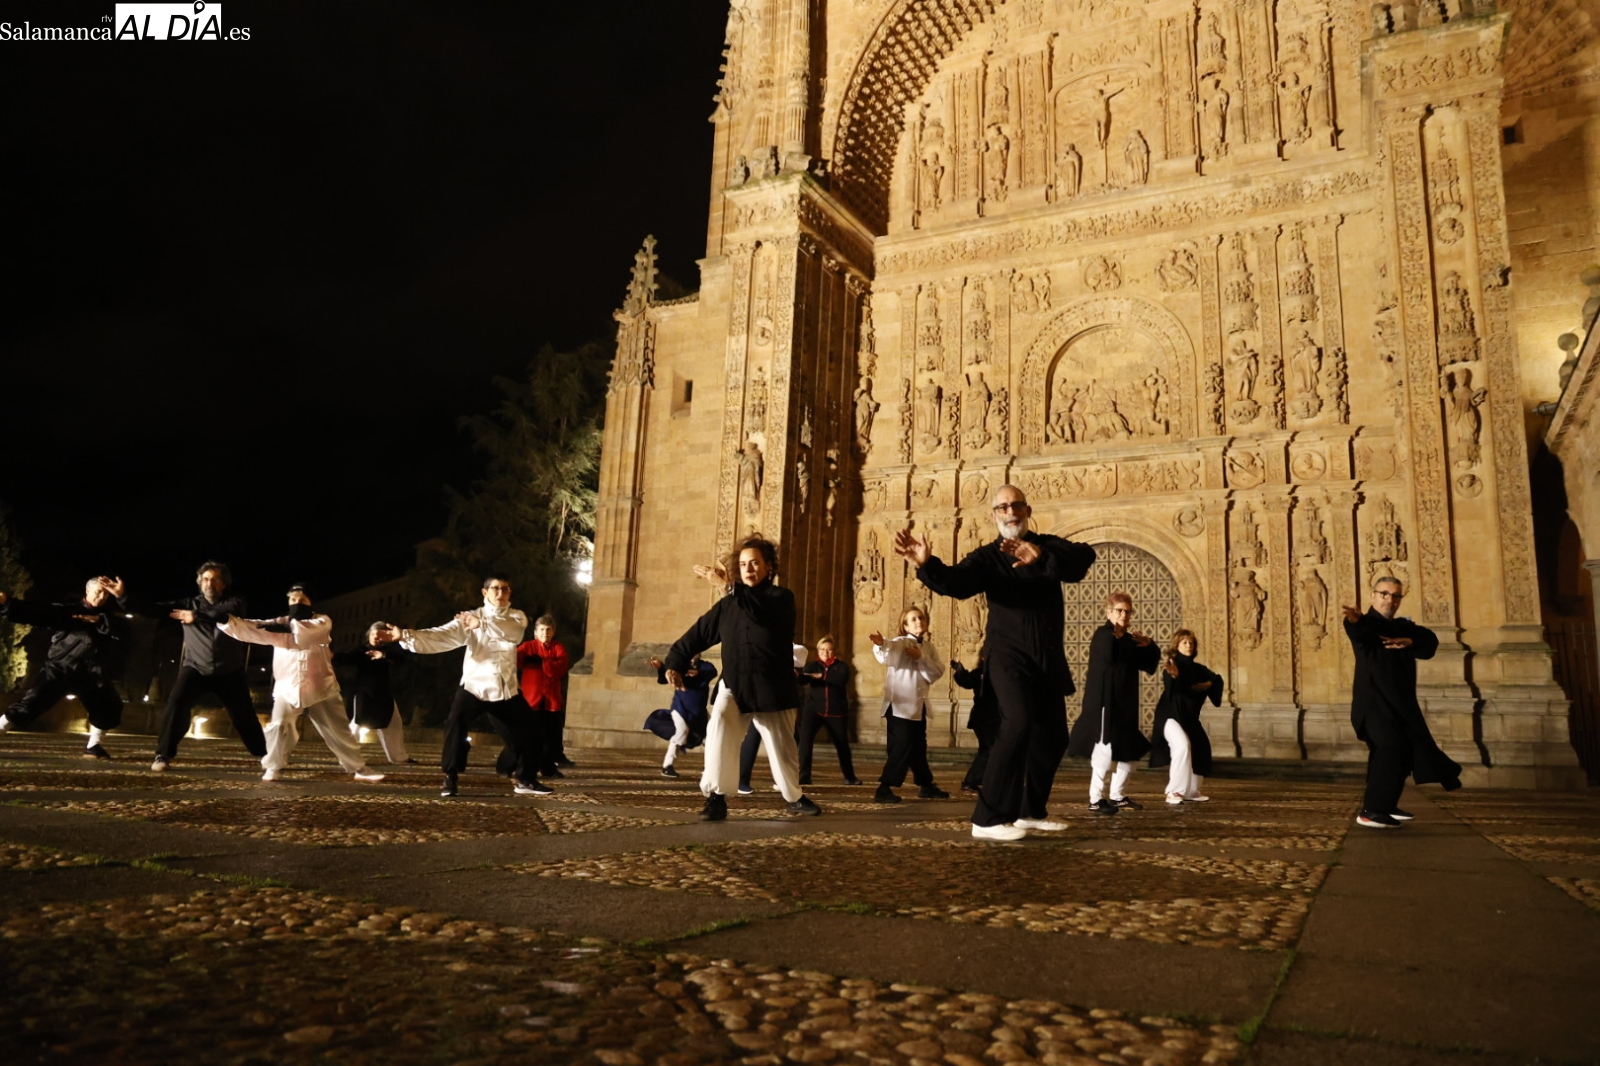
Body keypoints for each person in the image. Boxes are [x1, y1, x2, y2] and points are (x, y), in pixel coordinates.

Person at [895, 485, 1096, 841]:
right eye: (1002, 508)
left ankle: (1029, 812)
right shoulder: (987, 558)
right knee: (1017, 722)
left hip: (1047, 659)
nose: (1009, 512)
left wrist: (1042, 557)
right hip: (1007, 657)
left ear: (1027, 509)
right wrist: (927, 564)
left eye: (1015, 505)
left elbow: (1082, 559)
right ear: (994, 515)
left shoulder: (1048, 544)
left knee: (1052, 738)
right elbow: (956, 583)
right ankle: (987, 818)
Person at [661, 537, 821, 821]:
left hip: (773, 687)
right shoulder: (727, 606)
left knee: (782, 747)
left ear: (768, 567)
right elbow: (696, 636)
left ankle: (794, 797)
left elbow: (760, 613)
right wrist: (674, 663)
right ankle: (717, 797)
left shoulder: (781, 599)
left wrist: (725, 586)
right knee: (719, 729)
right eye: (743, 564)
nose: (748, 568)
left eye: (755, 563)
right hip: (734, 684)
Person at [372, 573, 549, 798]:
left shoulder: (517, 617)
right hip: (474, 687)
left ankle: (525, 780)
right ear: (485, 593)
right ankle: (451, 778)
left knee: (531, 733)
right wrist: (405, 635)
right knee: (455, 726)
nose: (500, 593)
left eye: (505, 589)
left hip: (505, 690)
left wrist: (482, 624)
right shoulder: (470, 617)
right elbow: (441, 636)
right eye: (495, 589)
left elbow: (514, 635)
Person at [219, 585, 384, 783]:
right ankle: (273, 765)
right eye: (293, 600)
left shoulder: (321, 620)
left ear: (310, 602)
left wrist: (288, 627)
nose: (296, 603)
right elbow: (253, 628)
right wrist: (225, 620)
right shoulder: (278, 622)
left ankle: (358, 767)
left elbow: (310, 634)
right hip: (287, 688)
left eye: (301, 600)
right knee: (279, 725)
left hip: (321, 686)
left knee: (338, 729)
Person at [1342, 578, 1462, 828]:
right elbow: (1359, 633)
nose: (1390, 599)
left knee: (1402, 749)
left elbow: (1429, 643)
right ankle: (1371, 810)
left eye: (1395, 595)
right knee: (1391, 746)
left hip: (1400, 705)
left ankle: (1385, 805)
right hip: (1373, 703)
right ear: (1374, 595)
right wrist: (1353, 621)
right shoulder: (1366, 624)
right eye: (1384, 594)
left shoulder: (1404, 627)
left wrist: (1411, 642)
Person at [150, 562, 267, 772]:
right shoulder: (188, 604)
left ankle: (263, 755)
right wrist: (122, 597)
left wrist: (197, 616)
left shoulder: (236, 601)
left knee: (244, 715)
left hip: (230, 671)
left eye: (215, 579)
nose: (209, 583)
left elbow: (223, 614)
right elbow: (155, 609)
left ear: (224, 584)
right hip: (195, 668)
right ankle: (163, 754)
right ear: (199, 583)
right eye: (205, 579)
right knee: (176, 703)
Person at [0, 576, 131, 758]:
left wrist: (99, 621)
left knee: (109, 707)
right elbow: (39, 612)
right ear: (87, 591)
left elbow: (124, 632)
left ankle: (93, 746)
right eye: (98, 592)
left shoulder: (108, 619)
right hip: (61, 668)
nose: (101, 597)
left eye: (105, 594)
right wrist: (8, 603)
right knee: (31, 704)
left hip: (92, 674)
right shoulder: (69, 612)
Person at [1068, 591, 1161, 813]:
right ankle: (1095, 799)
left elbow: (1149, 666)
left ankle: (1118, 795)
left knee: (1130, 752)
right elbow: (1108, 658)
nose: (1124, 615)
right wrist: (1116, 637)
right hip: (1104, 704)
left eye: (1127, 611)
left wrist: (1150, 645)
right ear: (1109, 611)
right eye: (1119, 610)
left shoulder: (1130, 640)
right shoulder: (1102, 635)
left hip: (1125, 706)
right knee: (1104, 752)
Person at [871, 607, 950, 803]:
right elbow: (887, 653)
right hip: (900, 707)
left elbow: (936, 672)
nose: (918, 621)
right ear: (904, 625)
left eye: (920, 618)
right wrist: (881, 644)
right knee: (902, 747)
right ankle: (884, 788)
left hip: (919, 707)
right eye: (913, 619)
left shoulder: (928, 648)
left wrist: (920, 658)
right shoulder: (901, 642)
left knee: (918, 748)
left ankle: (926, 785)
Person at [1148, 628, 1221, 805]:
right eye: (1184, 642)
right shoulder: (1173, 665)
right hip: (1170, 716)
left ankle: (1191, 791)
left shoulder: (1199, 669)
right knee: (1182, 745)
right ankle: (1174, 791)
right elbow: (1172, 685)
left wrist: (1208, 684)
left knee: (1200, 746)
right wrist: (1174, 677)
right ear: (1177, 645)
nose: (1189, 645)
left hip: (1189, 718)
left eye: (1191, 642)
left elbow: (1217, 680)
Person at [493, 615, 570, 779]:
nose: (545, 633)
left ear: (553, 632)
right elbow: (512, 660)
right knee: (524, 736)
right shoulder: (528, 647)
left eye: (548, 630)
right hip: (531, 701)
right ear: (535, 632)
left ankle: (548, 769)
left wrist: (542, 662)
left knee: (550, 739)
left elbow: (559, 670)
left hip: (551, 702)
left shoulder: (558, 648)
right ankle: (507, 767)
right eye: (542, 630)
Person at [332, 623, 413, 765]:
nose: (376, 637)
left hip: (384, 696)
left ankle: (399, 758)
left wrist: (383, 655)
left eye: (379, 635)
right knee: (355, 727)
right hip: (365, 695)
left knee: (393, 725)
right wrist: (331, 655)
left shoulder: (389, 651)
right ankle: (347, 758)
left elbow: (401, 660)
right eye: (373, 634)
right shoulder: (362, 651)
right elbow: (347, 658)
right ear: (369, 636)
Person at [736, 643, 808, 795]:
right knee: (754, 737)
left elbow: (800, 654)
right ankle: (742, 781)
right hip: (765, 697)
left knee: (789, 739)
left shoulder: (793, 650)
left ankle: (784, 781)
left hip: (778, 697)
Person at [798, 635, 861, 786]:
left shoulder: (842, 666)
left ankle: (850, 776)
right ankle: (804, 776)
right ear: (818, 650)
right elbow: (802, 680)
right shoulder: (812, 666)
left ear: (834, 651)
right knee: (805, 742)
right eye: (822, 649)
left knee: (842, 745)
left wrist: (820, 677)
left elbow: (840, 679)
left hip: (836, 711)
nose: (826, 652)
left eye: (829, 649)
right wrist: (799, 675)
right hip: (813, 710)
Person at [645, 652, 717, 778]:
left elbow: (712, 672)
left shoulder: (706, 666)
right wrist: (661, 667)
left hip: (699, 712)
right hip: (681, 708)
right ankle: (667, 766)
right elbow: (664, 677)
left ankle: (710, 769)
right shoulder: (678, 666)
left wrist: (697, 672)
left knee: (709, 737)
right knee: (681, 731)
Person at [952, 646, 999, 793]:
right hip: (983, 718)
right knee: (990, 748)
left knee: (988, 749)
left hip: (994, 718)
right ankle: (972, 780)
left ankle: (979, 779)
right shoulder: (980, 674)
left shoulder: (1000, 674)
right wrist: (960, 670)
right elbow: (966, 681)